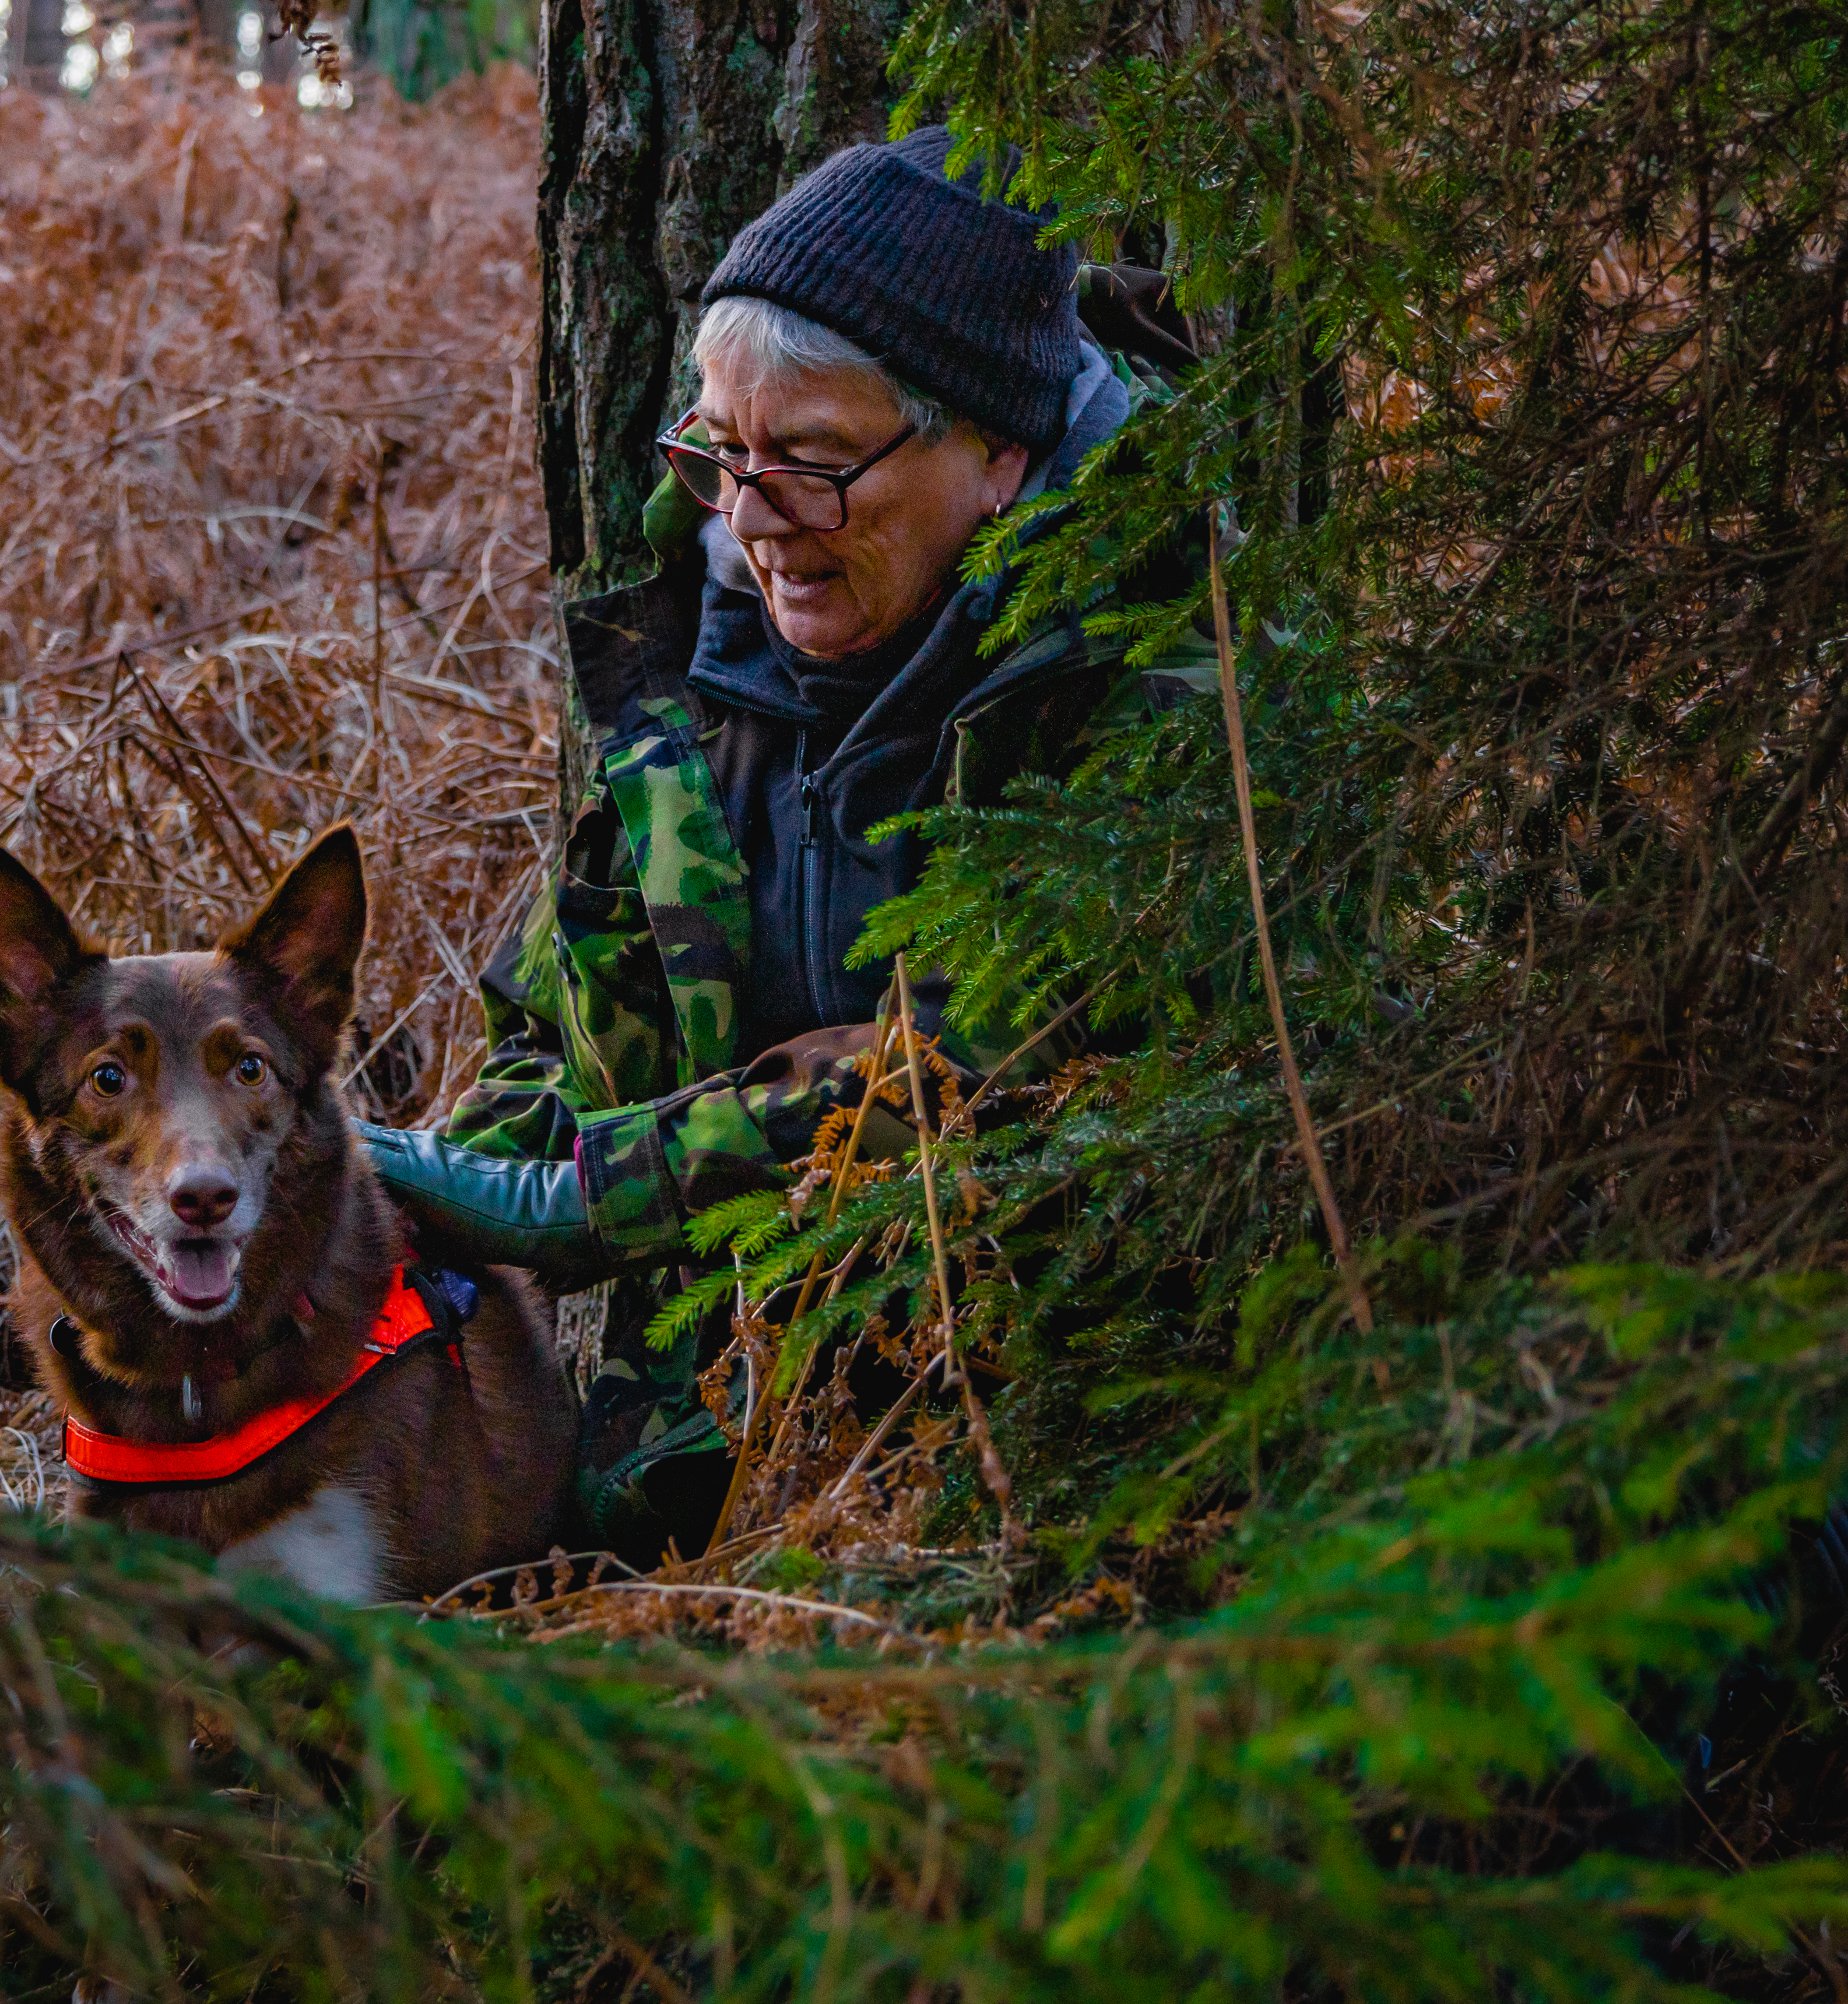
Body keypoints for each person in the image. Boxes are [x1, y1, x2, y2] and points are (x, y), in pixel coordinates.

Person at [354, 126, 1211, 1561]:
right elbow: (553, 1014)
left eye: (812, 466)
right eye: (721, 453)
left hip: (1048, 1471)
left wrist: (562, 1203)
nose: (754, 524)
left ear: (997, 451)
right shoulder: (695, 650)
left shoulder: (1166, 678)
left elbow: (979, 1067)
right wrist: (386, 1210)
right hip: (687, 1453)